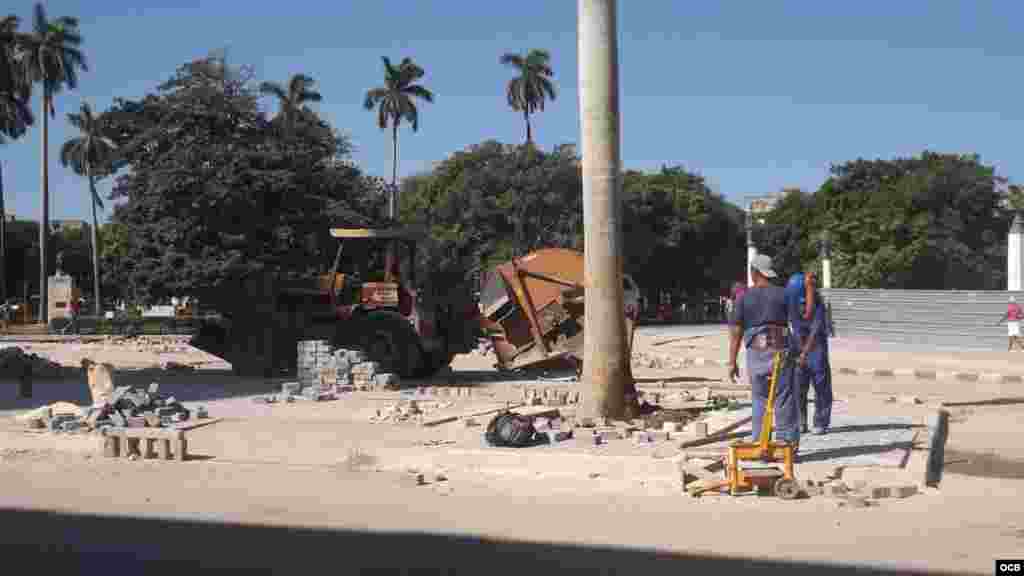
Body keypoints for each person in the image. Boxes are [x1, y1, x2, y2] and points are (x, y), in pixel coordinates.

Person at [728, 254, 800, 446]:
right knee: (784, 396)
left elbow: (736, 331)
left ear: (754, 272)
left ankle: (761, 443)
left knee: (759, 398)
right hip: (780, 348)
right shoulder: (784, 294)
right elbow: (796, 324)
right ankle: (787, 444)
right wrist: (799, 351)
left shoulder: (744, 298)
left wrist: (732, 361)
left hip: (756, 352)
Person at [785, 272, 833, 435]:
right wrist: (795, 350)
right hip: (798, 345)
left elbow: (816, 329)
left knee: (821, 386)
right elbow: (792, 325)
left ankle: (820, 422)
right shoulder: (791, 300)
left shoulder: (817, 302)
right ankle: (800, 421)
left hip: (816, 347)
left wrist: (805, 353)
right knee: (798, 386)